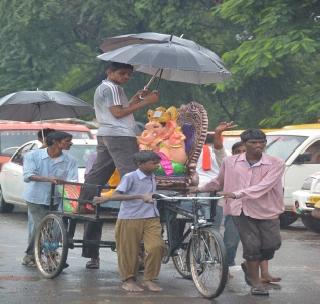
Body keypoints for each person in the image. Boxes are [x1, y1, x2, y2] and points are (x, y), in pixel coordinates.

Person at [81, 61, 159, 269]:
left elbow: (120, 110)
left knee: (99, 172)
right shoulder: (113, 87)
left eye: (128, 75)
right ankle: (137, 203)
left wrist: (135, 99)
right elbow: (118, 114)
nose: (125, 77)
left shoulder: (107, 88)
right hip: (119, 135)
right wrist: (146, 102)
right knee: (133, 172)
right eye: (122, 73)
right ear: (110, 72)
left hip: (106, 133)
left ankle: (85, 201)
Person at [192, 129, 285, 296]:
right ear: (244, 144)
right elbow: (218, 181)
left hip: (268, 209)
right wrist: (200, 188)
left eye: (261, 142)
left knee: (272, 244)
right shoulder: (230, 162)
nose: (258, 145)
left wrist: (237, 193)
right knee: (252, 246)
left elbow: (265, 186)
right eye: (253, 143)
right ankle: (255, 282)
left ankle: (248, 265)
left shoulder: (276, 163)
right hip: (241, 209)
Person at [94, 151, 164, 292]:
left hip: (151, 216)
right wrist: (140, 196)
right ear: (140, 164)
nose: (157, 166)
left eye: (157, 163)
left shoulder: (154, 176)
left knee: (157, 247)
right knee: (128, 251)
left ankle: (149, 279)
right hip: (130, 218)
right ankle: (128, 280)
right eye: (153, 163)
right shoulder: (130, 177)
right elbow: (117, 195)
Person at [22, 131, 78, 267]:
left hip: (58, 199)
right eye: (67, 141)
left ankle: (30, 255)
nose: (71, 143)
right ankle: (51, 254)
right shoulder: (32, 156)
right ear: (56, 142)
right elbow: (28, 175)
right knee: (42, 226)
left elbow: (72, 180)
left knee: (55, 229)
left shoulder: (71, 160)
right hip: (35, 198)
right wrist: (48, 179)